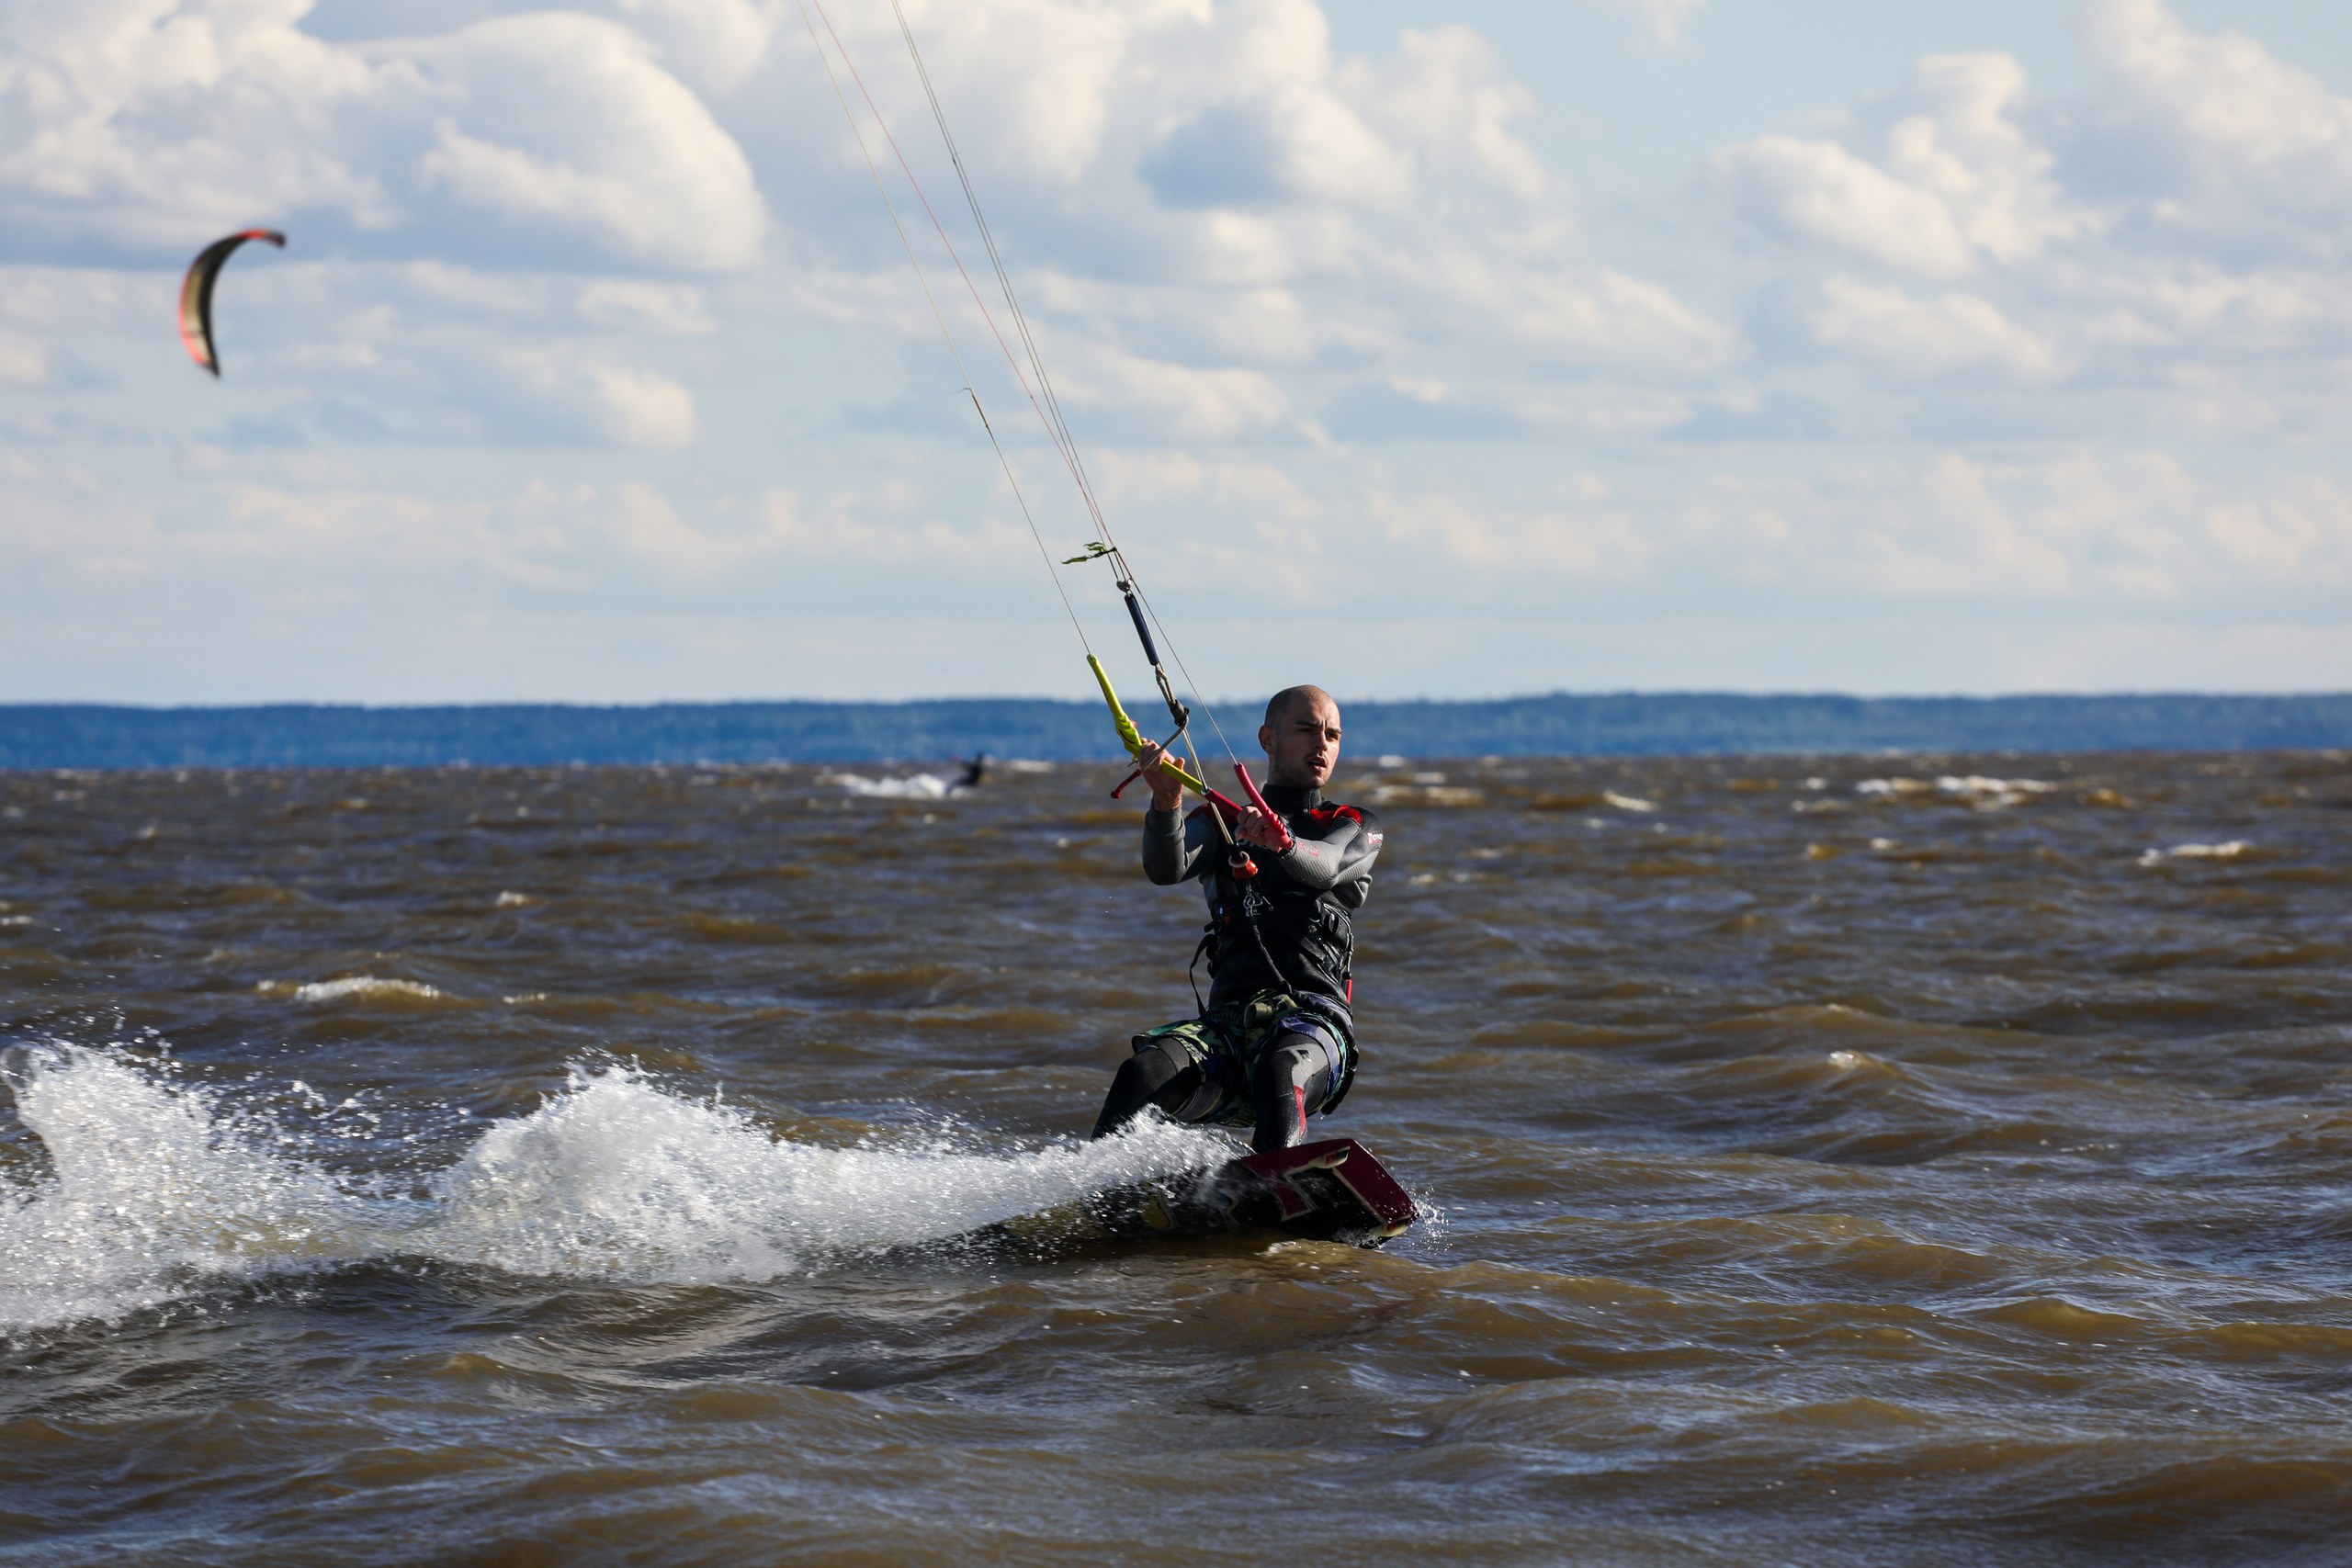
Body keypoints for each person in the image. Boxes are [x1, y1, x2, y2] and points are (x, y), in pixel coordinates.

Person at [1088, 684, 1384, 1153]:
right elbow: (1168, 868)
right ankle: (1097, 1195)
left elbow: (1325, 865)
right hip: (1226, 1029)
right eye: (1306, 729)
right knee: (1142, 1071)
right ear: (1268, 738)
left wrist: (1282, 842)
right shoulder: (1223, 823)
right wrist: (1166, 804)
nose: (1321, 743)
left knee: (1277, 1069)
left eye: (1332, 734)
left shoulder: (1351, 824)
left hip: (1313, 1026)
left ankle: (1274, 1186)